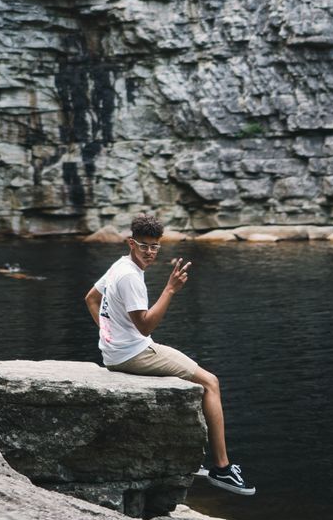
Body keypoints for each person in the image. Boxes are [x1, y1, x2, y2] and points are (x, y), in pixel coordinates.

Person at [85, 213, 255, 498]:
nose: (150, 253)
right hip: (133, 353)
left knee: (197, 376)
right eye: (144, 246)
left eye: (155, 247)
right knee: (210, 382)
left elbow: (91, 298)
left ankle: (194, 456)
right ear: (131, 243)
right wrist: (170, 289)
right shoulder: (130, 277)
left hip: (118, 350)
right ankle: (223, 469)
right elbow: (146, 325)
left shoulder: (119, 266)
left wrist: (107, 336)